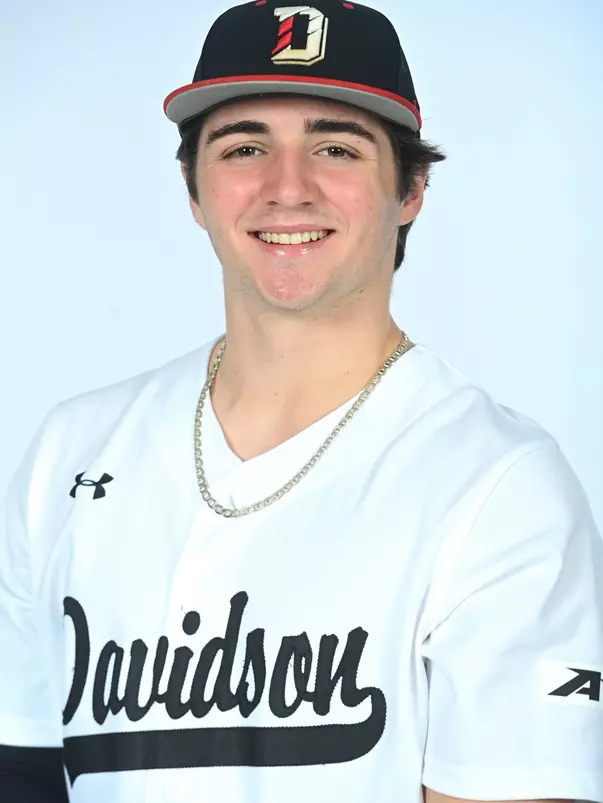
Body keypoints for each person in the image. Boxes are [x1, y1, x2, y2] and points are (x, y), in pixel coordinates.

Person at [1, 1, 602, 801]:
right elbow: (28, 771)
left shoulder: (497, 483)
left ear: (412, 187)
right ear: (193, 188)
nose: (288, 188)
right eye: (244, 146)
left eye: (336, 146)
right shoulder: (70, 451)